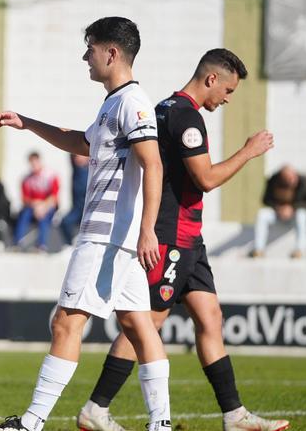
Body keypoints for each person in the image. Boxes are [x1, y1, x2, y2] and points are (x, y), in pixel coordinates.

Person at [75, 48, 288, 431]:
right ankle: (96, 408)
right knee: (146, 322)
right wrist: (248, 152)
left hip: (190, 236)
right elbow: (204, 178)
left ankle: (234, 415)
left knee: (210, 317)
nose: (226, 99)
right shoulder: (185, 116)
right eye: (228, 90)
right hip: (171, 235)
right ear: (211, 79)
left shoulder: (163, 108)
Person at [0, 17, 172, 431]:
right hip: (117, 238)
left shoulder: (132, 102)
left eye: (90, 48)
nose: (85, 56)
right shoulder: (113, 102)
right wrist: (27, 122)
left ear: (111, 53)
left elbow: (152, 164)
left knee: (66, 321)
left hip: (107, 237)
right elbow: (82, 143)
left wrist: (147, 229)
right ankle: (161, 424)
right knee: (139, 325)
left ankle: (30, 423)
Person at [251, 165, 306, 259]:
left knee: (302, 214)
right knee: (262, 214)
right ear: (282, 178)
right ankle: (258, 249)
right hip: (278, 214)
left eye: (293, 177)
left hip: (294, 215)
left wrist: (292, 208)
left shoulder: (302, 183)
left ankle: (299, 250)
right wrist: (278, 208)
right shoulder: (273, 181)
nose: (292, 180)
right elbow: (266, 200)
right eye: (288, 178)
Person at [14, 152, 60, 252]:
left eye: (35, 162)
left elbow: (54, 196)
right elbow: (24, 199)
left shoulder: (51, 175)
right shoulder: (27, 179)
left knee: (43, 217)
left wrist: (43, 206)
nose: (33, 165)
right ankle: (18, 242)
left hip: (48, 206)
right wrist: (36, 204)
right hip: (33, 207)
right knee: (24, 214)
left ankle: (41, 245)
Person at [59, 154, 89, 246]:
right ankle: (69, 245)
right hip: (77, 209)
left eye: (80, 156)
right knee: (65, 222)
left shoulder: (91, 170)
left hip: (89, 209)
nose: (77, 159)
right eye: (75, 157)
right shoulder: (76, 170)